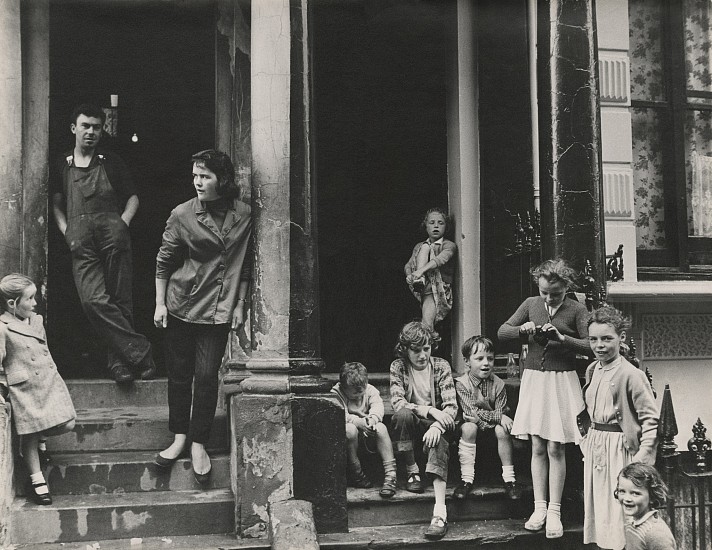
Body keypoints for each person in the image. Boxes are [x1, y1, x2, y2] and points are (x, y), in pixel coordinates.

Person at [153, 149, 252, 485]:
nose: (197, 182)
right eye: (195, 175)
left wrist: (239, 304)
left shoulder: (244, 215)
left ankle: (199, 443)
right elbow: (164, 263)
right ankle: (179, 436)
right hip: (182, 305)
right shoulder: (182, 214)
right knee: (180, 375)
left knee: (207, 377)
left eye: (205, 176)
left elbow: (246, 264)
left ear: (221, 180)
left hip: (219, 309)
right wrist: (159, 304)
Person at [50, 103, 155, 384]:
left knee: (120, 300)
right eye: (85, 126)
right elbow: (57, 203)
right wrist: (65, 230)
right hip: (80, 240)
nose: (91, 132)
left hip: (113, 235)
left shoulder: (111, 160)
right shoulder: (62, 163)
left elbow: (132, 196)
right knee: (93, 301)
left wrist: (123, 222)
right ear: (74, 128)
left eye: (97, 127)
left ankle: (119, 364)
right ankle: (141, 351)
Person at [497, 258, 591, 539]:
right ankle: (539, 507)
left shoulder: (577, 309)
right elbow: (502, 332)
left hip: (561, 381)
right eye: (545, 293)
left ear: (566, 288)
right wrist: (522, 330)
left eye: (556, 294)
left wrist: (563, 339)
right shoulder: (530, 304)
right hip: (535, 381)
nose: (549, 299)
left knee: (556, 448)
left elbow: (589, 345)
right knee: (537, 446)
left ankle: (555, 511)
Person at [580, 306, 660, 550]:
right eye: (593, 339)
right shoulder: (592, 369)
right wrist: (586, 440)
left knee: (620, 513)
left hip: (620, 450)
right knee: (601, 507)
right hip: (597, 447)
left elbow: (650, 419)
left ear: (621, 338)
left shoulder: (631, 375)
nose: (599, 345)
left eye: (607, 338)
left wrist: (641, 458)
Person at [0, 274, 76, 505]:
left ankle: (42, 437)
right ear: (12, 304)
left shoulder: (36, 321)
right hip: (25, 390)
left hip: (46, 383)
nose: (35, 303)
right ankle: (37, 480)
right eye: (29, 298)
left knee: (68, 423)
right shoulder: (2, 328)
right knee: (30, 437)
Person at [390, 321, 457, 540]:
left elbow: (450, 407)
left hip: (438, 426)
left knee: (439, 441)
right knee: (402, 415)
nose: (422, 355)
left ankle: (440, 513)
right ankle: (412, 471)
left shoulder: (441, 366)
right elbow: (398, 403)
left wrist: (438, 425)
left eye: (426, 349)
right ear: (405, 349)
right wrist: (429, 410)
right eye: (416, 350)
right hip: (415, 423)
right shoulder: (398, 367)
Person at [452, 335, 520, 501]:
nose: (486, 363)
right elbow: (472, 412)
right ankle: (466, 479)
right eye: (479, 358)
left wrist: (492, 416)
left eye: (490, 358)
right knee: (469, 427)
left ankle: (509, 479)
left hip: (492, 432)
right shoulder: (462, 383)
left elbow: (502, 410)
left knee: (502, 428)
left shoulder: (498, 384)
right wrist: (495, 417)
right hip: (470, 429)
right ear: (467, 361)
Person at [331, 362, 397, 498]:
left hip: (369, 433)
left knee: (381, 427)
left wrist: (372, 421)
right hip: (351, 438)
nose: (360, 394)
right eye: (355, 391)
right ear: (343, 387)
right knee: (349, 429)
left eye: (362, 389)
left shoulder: (370, 390)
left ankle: (391, 475)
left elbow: (378, 407)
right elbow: (340, 414)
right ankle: (356, 472)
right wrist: (358, 422)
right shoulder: (336, 393)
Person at [404, 208, 457, 329]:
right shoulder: (419, 246)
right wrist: (409, 275)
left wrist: (420, 271)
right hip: (422, 288)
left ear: (446, 227)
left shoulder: (449, 245)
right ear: (426, 226)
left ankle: (428, 346)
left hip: (436, 291)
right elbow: (408, 265)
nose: (436, 226)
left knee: (427, 325)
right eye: (432, 223)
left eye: (440, 223)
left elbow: (440, 260)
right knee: (424, 247)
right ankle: (419, 280)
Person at [616, 463, 676, 550]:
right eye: (622, 491)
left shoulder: (655, 532)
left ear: (651, 496)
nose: (627, 498)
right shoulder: (632, 522)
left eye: (635, 493)